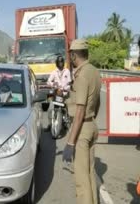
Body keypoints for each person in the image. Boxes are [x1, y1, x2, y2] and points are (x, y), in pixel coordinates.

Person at [62, 39, 101, 204]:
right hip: (91, 125)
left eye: (71, 54)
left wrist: (70, 142)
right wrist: (90, 120)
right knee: (90, 174)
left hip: (82, 128)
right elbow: (97, 103)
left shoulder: (82, 75)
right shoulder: (94, 71)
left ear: (74, 55)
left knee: (81, 180)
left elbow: (79, 110)